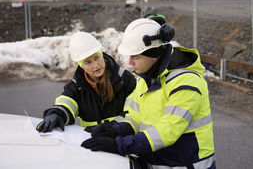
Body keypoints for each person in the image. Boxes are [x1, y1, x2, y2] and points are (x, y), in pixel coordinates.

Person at [81, 18, 216, 169]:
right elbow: (136, 117)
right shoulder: (146, 79)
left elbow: (167, 131)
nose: (130, 62)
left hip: (186, 164)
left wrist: (119, 145)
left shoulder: (186, 81)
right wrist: (114, 129)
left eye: (136, 56)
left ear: (154, 54)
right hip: (159, 161)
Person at [36, 31, 137, 132]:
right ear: (81, 65)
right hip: (92, 142)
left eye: (97, 58)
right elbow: (67, 103)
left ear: (102, 54)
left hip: (121, 139)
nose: (96, 65)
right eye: (88, 62)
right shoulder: (76, 87)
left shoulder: (125, 79)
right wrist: (57, 113)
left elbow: (135, 113)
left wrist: (111, 129)